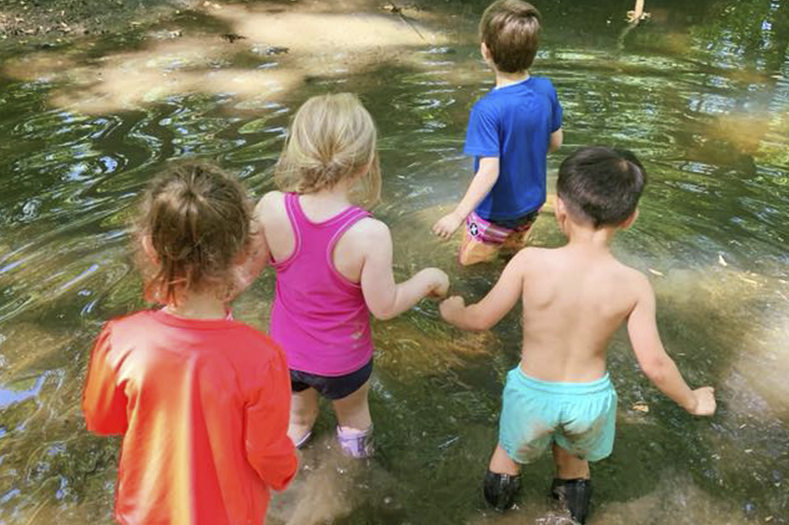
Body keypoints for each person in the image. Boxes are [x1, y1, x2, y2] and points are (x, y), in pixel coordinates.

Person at [439, 147, 717, 523]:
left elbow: (480, 319)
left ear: (560, 209)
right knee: (573, 466)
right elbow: (655, 365)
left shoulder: (530, 262)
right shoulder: (634, 285)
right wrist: (693, 401)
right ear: (630, 219)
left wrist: (453, 310)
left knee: (507, 457)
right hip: (589, 401)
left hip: (532, 395)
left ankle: (497, 516)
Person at [82, 162, 297, 525]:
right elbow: (268, 455)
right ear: (244, 251)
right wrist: (292, 468)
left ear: (151, 248)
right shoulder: (264, 357)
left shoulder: (119, 340)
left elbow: (103, 420)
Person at [245, 93, 449, 458]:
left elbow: (245, 272)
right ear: (365, 164)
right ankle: (352, 486)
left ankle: (286, 477)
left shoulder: (271, 206)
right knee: (354, 421)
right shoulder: (369, 233)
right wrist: (429, 278)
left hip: (286, 354)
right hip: (343, 361)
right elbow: (384, 306)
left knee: (297, 419)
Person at [432, 0, 564, 266]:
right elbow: (555, 142)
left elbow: (489, 172)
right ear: (534, 52)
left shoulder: (487, 110)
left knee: (469, 267)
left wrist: (457, 215)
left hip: (494, 213)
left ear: (485, 51)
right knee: (513, 258)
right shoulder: (546, 89)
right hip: (531, 206)